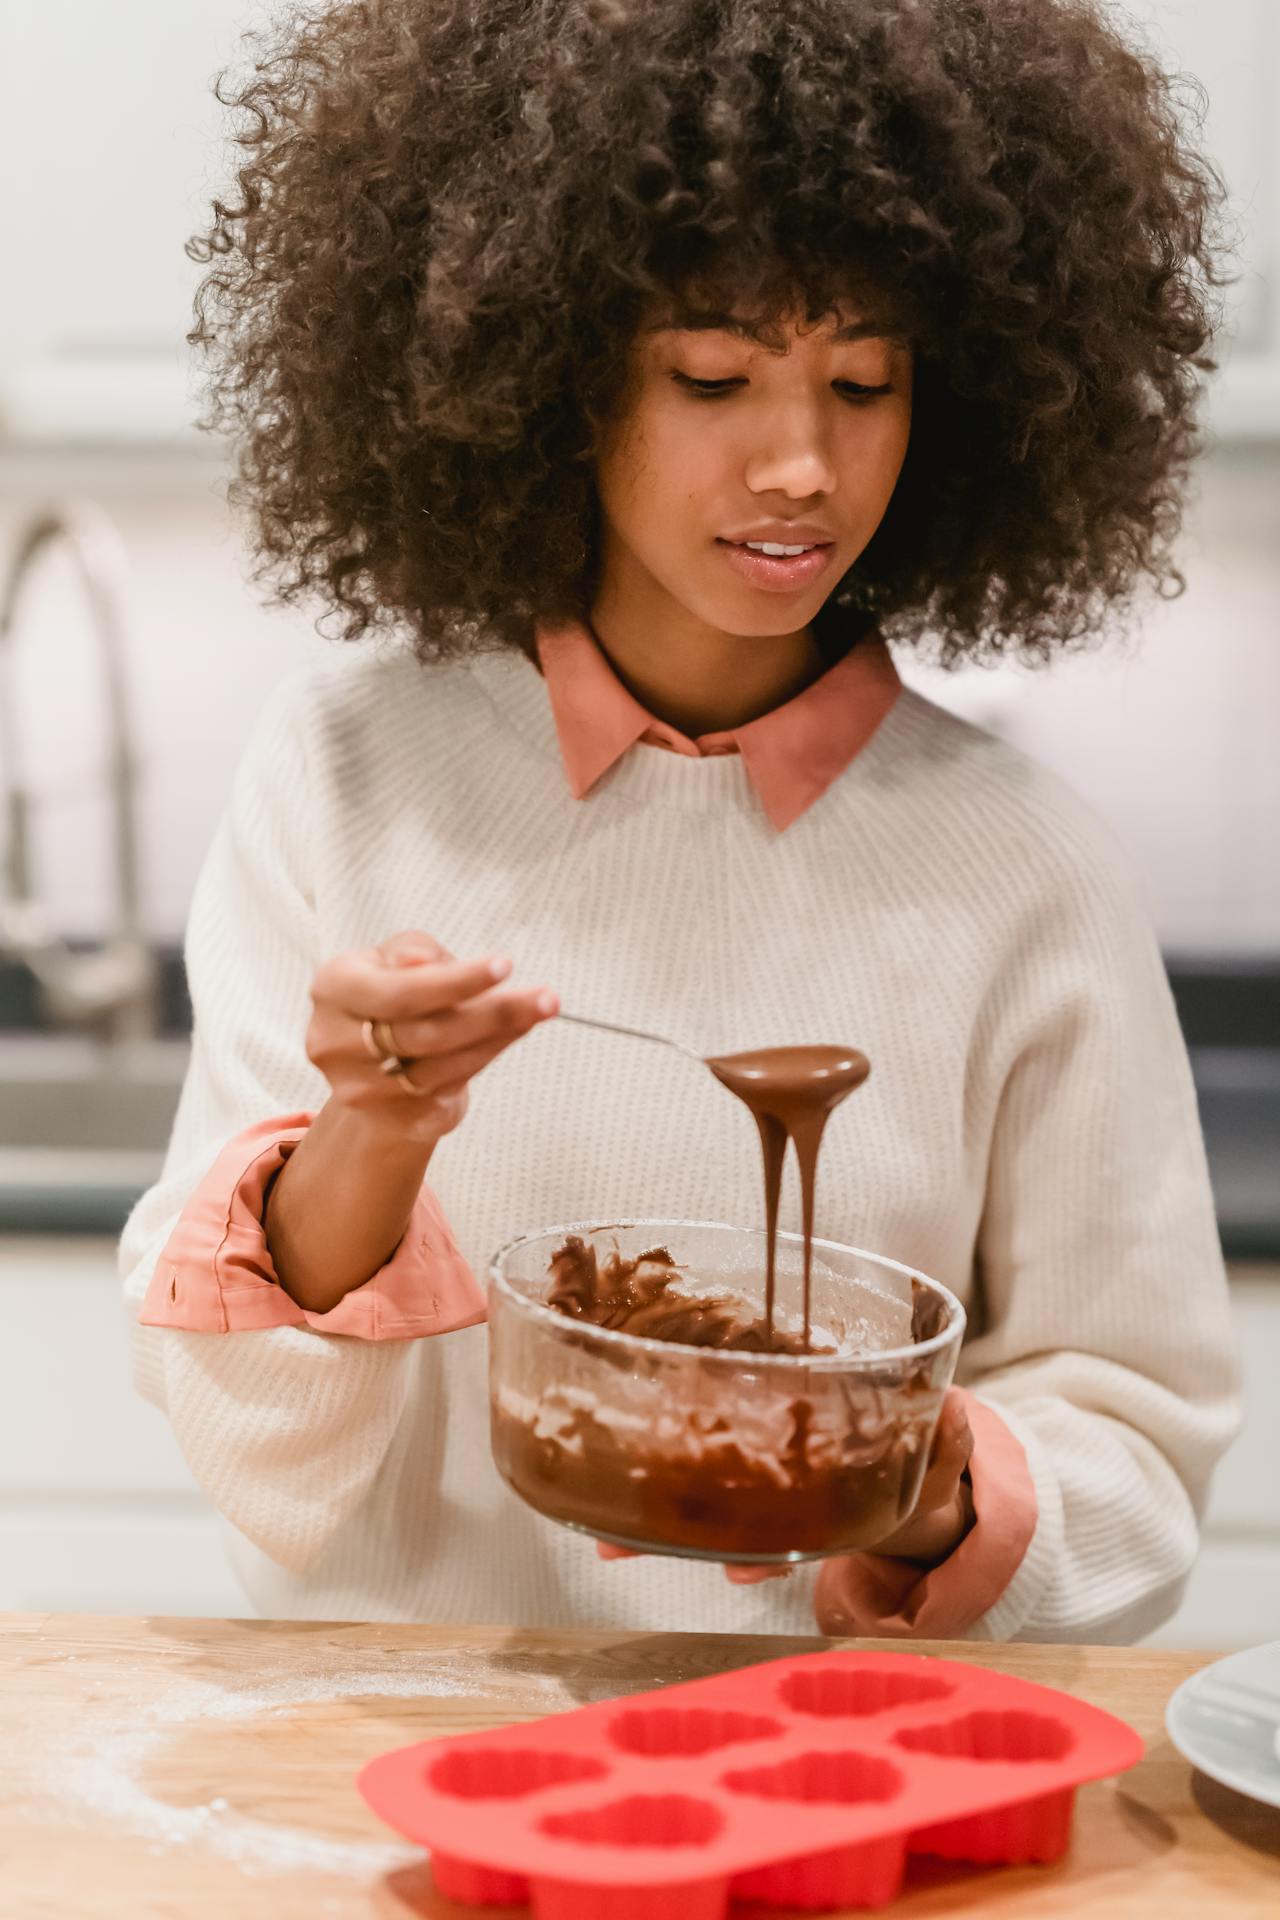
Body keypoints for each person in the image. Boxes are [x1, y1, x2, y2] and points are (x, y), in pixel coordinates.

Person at [120, 0, 1241, 1640]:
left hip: (824, 1784)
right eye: (713, 373)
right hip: (383, 1752)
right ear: (551, 374)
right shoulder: (349, 770)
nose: (802, 462)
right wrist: (369, 1130)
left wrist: (908, 1484)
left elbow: (1137, 1445)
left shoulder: (1029, 867)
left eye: (865, 379)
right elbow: (248, 1441)